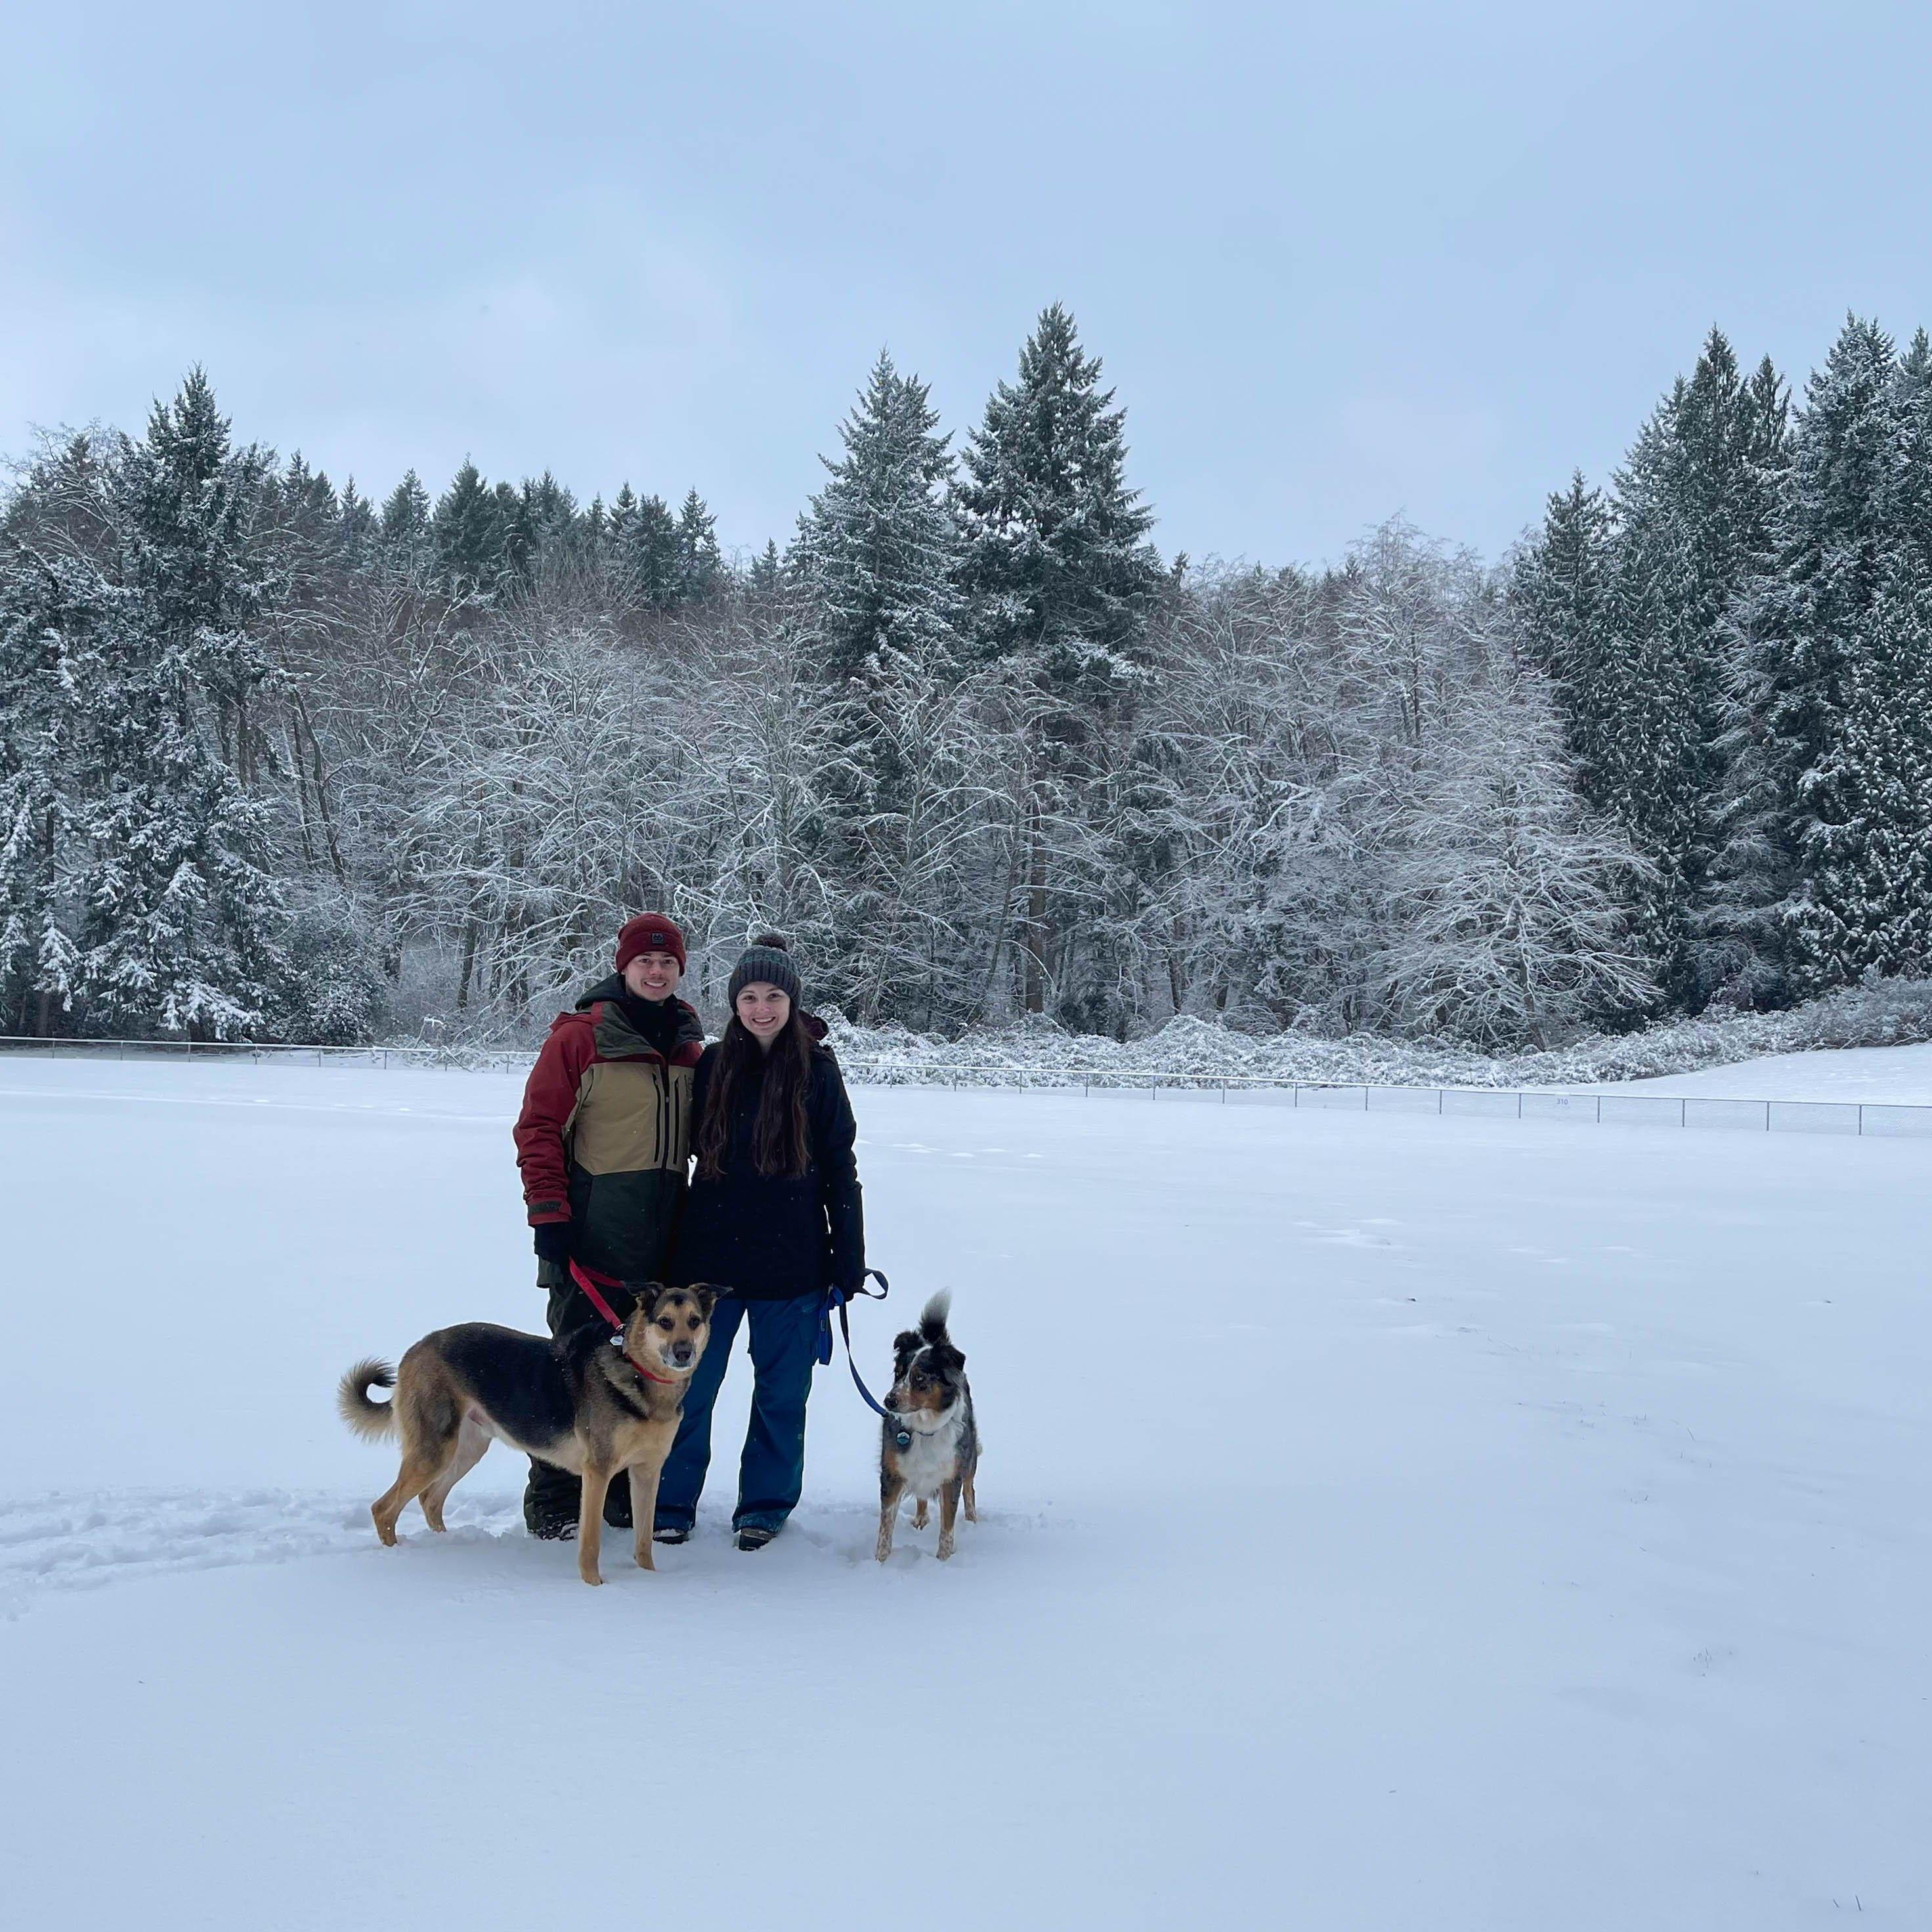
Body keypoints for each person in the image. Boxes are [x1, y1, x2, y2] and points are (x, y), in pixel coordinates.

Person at [656, 935, 865, 1551]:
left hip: (793, 1265)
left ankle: (764, 1506)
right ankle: (669, 1500)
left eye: (773, 995)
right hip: (708, 1268)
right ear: (734, 1002)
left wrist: (847, 1259)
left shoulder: (819, 1070)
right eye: (748, 996)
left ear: (792, 999)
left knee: (780, 1400)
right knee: (688, 1394)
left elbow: (839, 1167)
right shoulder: (712, 1065)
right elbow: (678, 1152)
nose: (761, 1007)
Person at [511, 912, 705, 1539]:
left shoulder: (687, 1047)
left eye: (667, 962)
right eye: (644, 961)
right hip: (589, 1242)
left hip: (660, 1253)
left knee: (642, 1379)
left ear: (679, 970)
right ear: (623, 966)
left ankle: (619, 1494)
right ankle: (553, 1502)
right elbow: (537, 1129)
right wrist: (549, 1217)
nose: (656, 971)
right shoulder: (580, 1038)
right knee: (572, 1372)